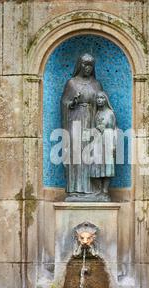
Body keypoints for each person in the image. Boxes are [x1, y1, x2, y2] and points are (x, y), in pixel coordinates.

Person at [60, 53, 103, 201]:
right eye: (85, 64)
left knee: (91, 153)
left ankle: (93, 190)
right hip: (75, 121)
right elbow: (64, 103)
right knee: (76, 153)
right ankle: (74, 189)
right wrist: (72, 102)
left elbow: (102, 102)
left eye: (90, 65)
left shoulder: (96, 84)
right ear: (80, 65)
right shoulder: (71, 83)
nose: (88, 68)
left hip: (91, 120)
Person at [90, 91, 116, 200]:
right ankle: (99, 190)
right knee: (97, 165)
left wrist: (114, 144)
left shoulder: (110, 113)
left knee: (108, 167)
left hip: (108, 139)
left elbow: (114, 129)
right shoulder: (96, 113)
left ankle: (105, 191)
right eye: (98, 98)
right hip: (98, 141)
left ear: (106, 100)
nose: (99, 100)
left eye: (102, 98)